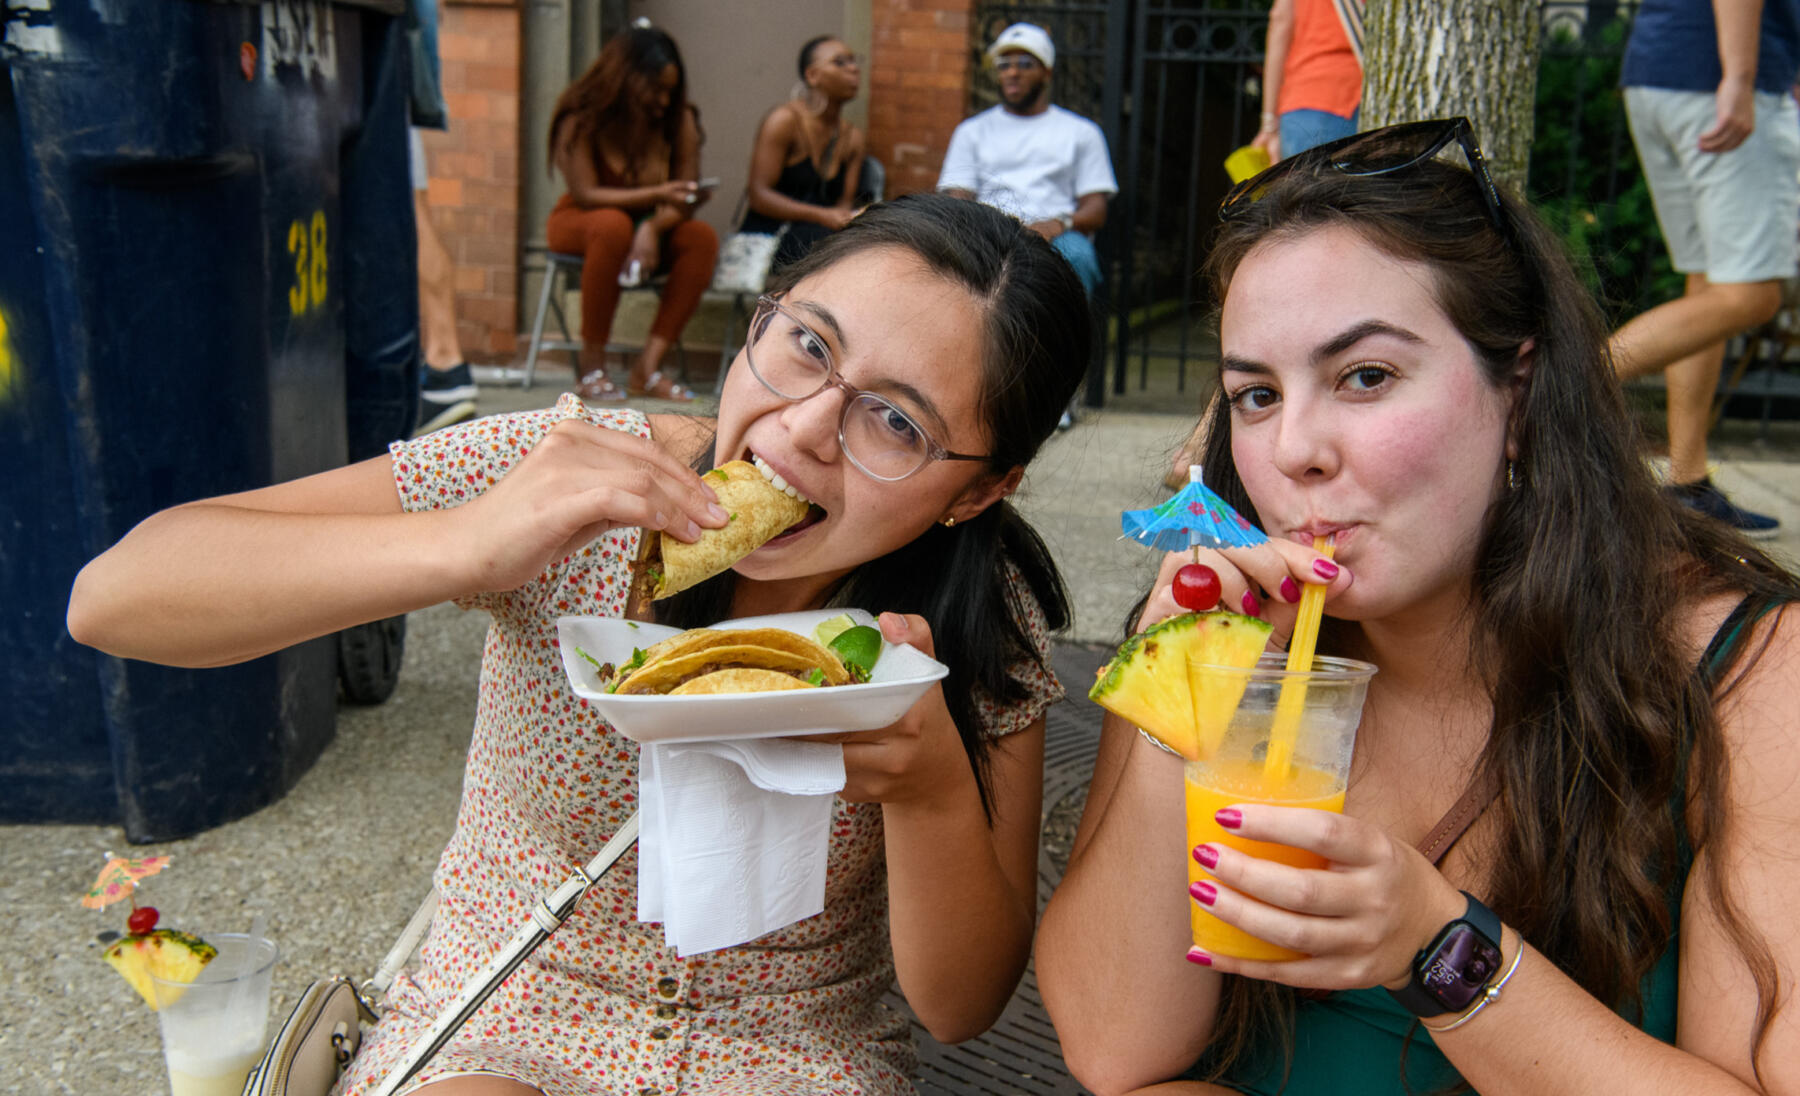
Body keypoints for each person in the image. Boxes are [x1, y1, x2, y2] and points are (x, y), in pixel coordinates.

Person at [66, 193, 1090, 1096]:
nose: (807, 427)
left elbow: (960, 1006)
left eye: (897, 424)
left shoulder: (974, 618)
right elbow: (118, 596)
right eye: (807, 346)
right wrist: (467, 542)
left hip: (795, 1053)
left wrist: (934, 792)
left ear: (978, 489)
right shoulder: (572, 472)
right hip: (506, 1011)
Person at [1035, 119, 1800, 1095]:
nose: (1296, 448)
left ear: (1517, 397)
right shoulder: (1222, 627)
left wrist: (1437, 947)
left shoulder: (1744, 668)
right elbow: (1116, 1050)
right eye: (1257, 395)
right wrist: (1178, 706)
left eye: (1365, 376)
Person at [1608, 0, 1800, 537]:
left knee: (1709, 281)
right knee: (1751, 296)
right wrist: (1740, 77)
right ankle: (1557, 383)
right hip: (1718, 80)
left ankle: (1687, 483)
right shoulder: (1731, 78)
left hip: (1660, 73)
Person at [940, 22, 1116, 432]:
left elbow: (1095, 208)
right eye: (1004, 65)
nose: (1012, 72)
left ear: (1047, 72)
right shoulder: (973, 131)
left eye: (1024, 64)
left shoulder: (1080, 133)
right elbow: (955, 194)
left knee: (1078, 256)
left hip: (1055, 238)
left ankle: (1059, 394)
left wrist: (1060, 223)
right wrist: (976, 225)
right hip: (987, 232)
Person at [546, 23, 718, 404]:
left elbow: (686, 197)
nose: (662, 100)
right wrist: (657, 193)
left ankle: (648, 368)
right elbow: (587, 194)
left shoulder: (679, 119)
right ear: (624, 80)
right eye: (655, 88)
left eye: (669, 91)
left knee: (701, 238)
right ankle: (592, 367)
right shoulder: (581, 116)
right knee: (612, 225)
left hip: (649, 226)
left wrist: (653, 228)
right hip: (582, 220)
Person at [409, 0, 479, 433]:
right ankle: (444, 368)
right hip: (396, 56)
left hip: (384, 56)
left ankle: (444, 363)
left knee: (411, 216)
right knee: (414, 213)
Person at [739, 35, 867, 270]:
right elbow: (758, 195)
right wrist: (822, 215)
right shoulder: (784, 121)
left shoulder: (853, 138)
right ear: (812, 75)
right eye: (840, 62)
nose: (853, 69)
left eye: (854, 61)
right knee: (827, 247)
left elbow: (844, 206)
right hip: (770, 236)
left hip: (820, 236)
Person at [1250, 0, 1365, 164]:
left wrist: (1269, 125)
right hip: (1361, 89)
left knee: (1307, 188)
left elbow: (1281, 21)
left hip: (1306, 100)